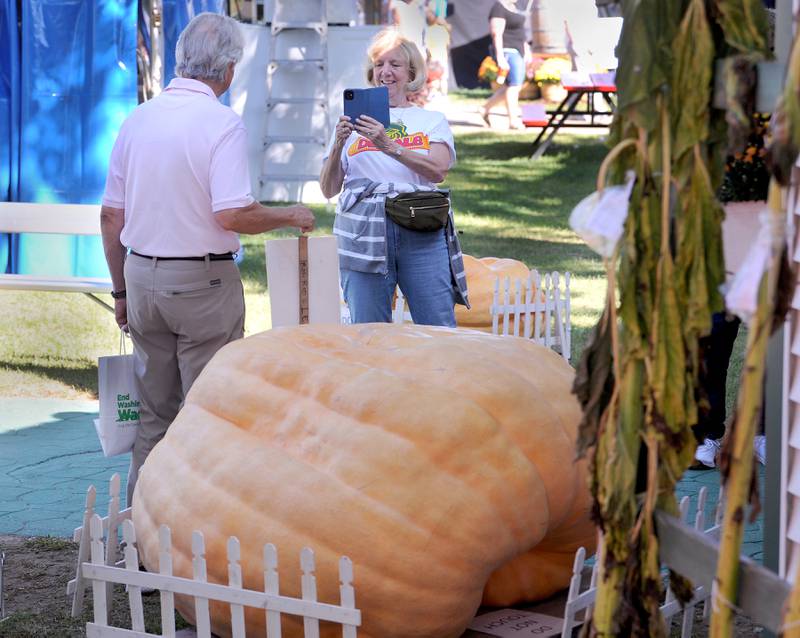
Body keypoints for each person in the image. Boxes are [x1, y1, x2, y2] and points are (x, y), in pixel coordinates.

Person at [100, 13, 315, 506]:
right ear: (229, 70)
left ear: (180, 59)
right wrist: (289, 214)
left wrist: (121, 291)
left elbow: (111, 217)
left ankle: (140, 534)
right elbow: (233, 211)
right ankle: (194, 533)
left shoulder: (139, 118)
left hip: (141, 275)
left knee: (154, 416)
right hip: (201, 282)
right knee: (207, 411)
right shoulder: (221, 123)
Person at [319, 28, 468, 326]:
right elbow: (328, 189)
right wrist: (337, 144)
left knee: (438, 327)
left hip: (419, 228)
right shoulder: (353, 124)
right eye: (379, 64)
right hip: (363, 231)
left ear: (411, 72)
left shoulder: (430, 120)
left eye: (395, 65)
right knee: (368, 331)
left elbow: (438, 170)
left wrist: (387, 144)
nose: (385, 72)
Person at [481, 0, 532, 130]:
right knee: (514, 86)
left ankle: (484, 108)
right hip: (507, 50)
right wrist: (500, 57)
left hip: (518, 50)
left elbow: (520, 32)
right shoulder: (499, 7)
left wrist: (527, 50)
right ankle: (513, 121)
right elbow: (496, 33)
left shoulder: (514, 7)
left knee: (512, 86)